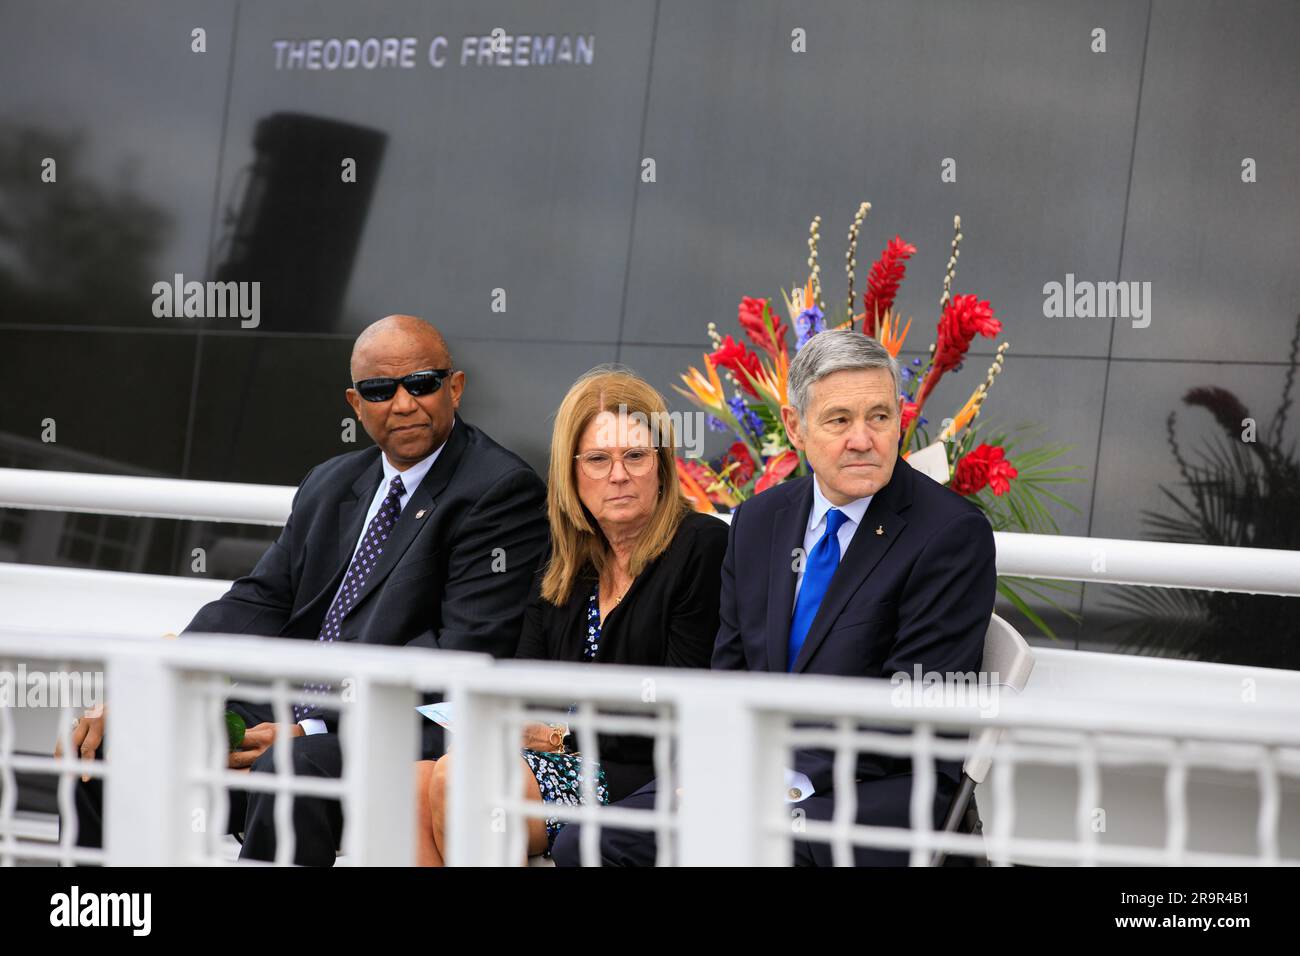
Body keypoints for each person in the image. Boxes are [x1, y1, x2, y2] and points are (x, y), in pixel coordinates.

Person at [60, 315, 548, 865]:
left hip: (407, 723)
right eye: (380, 390)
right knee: (111, 742)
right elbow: (259, 599)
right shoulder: (331, 482)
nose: (404, 403)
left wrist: (311, 724)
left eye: (422, 383)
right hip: (293, 705)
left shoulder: (499, 491)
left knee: (292, 767)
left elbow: (461, 655)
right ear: (355, 403)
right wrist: (152, 680)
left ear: (453, 388)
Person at [553, 329, 996, 866]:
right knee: (591, 843)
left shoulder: (948, 533)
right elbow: (730, 674)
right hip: (751, 774)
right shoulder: (761, 520)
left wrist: (775, 783)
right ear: (795, 427)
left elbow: (910, 710)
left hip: (879, 784)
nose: (863, 438)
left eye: (878, 417)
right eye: (839, 420)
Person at [413, 367, 728, 865]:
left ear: (663, 464)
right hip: (558, 760)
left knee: (462, 779)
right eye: (599, 459)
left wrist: (560, 736)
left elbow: (675, 706)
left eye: (636, 456)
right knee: (413, 784)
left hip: (642, 772)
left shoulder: (701, 546)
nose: (618, 475)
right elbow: (524, 680)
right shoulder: (567, 558)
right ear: (571, 471)